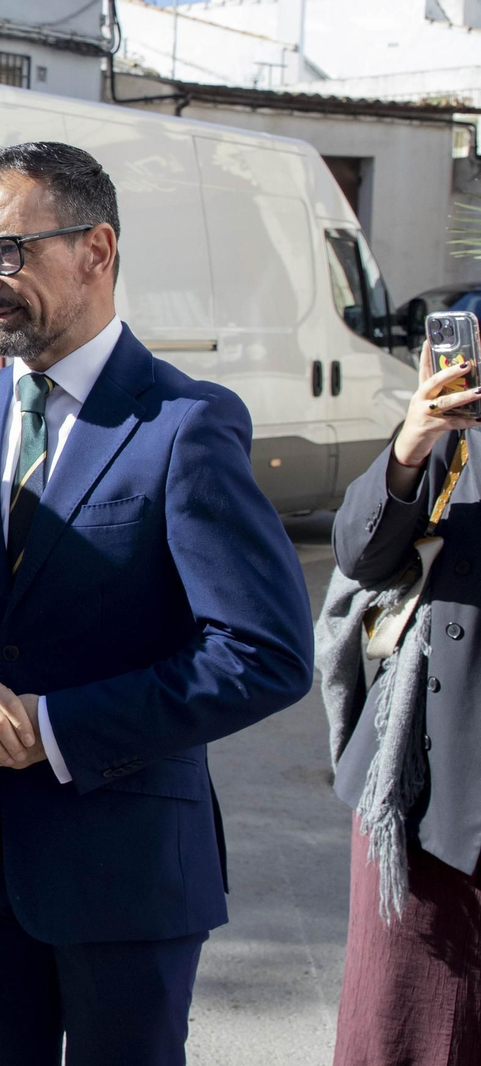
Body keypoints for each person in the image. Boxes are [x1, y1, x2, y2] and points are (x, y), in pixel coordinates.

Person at [0, 141, 314, 1066]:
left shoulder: (185, 425)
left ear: (97, 251)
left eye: (8, 252)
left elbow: (263, 651)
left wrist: (58, 726)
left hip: (126, 875)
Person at [320, 339, 481, 1065]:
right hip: (423, 800)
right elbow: (362, 555)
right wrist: (414, 441)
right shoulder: (464, 432)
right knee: (404, 1035)